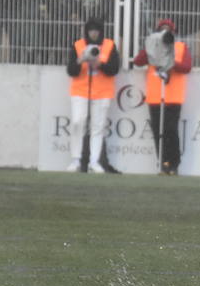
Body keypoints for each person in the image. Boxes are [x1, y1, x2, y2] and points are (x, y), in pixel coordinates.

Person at [131, 18, 192, 176]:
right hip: (155, 97)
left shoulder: (180, 47)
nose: (164, 32)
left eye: (168, 30)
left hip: (173, 97)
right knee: (159, 133)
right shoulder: (152, 47)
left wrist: (170, 62)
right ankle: (164, 164)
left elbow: (186, 67)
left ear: (173, 32)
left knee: (171, 131)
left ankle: (174, 164)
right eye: (162, 30)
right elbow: (138, 61)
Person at [64, 17, 121, 173]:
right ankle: (76, 159)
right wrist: (80, 60)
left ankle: (94, 161)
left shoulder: (109, 45)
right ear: (86, 31)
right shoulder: (78, 45)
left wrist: (100, 65)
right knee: (77, 122)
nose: (94, 33)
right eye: (91, 30)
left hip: (102, 91)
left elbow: (114, 69)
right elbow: (70, 71)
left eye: (96, 30)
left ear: (101, 31)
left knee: (98, 126)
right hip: (80, 90)